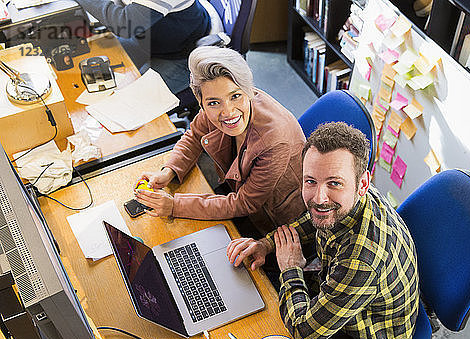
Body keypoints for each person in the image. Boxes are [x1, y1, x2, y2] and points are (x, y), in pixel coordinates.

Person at [226, 122, 420, 339]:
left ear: (362, 184)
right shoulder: (351, 194)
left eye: (334, 183)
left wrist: (291, 269)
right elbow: (315, 216)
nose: (318, 197)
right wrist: (267, 244)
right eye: (310, 181)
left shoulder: (361, 261)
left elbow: (302, 331)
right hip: (345, 289)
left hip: (368, 338)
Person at [134, 46, 306, 236]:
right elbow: (194, 136)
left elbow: (245, 203)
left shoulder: (274, 140)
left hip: (274, 225)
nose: (228, 112)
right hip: (235, 192)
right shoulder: (214, 99)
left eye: (235, 96)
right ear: (201, 102)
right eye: (214, 103)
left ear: (248, 91)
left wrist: (174, 206)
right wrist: (169, 172)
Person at [74, 0, 212, 94]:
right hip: (147, 39)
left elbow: (124, 25)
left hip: (181, 56)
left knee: (130, 101)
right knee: (86, 67)